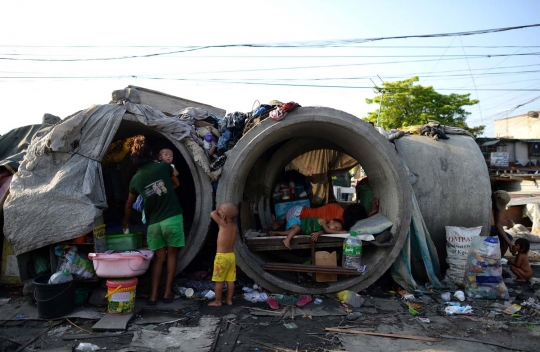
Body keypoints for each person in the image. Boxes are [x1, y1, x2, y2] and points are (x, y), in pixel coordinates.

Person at [123, 135, 185, 305]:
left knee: (158, 258)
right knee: (172, 255)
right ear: (152, 154)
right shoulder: (164, 167)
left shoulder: (135, 179)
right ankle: (167, 293)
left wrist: (126, 221)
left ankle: (152, 295)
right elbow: (177, 183)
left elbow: (129, 204)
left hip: (154, 223)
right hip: (172, 217)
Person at [208, 202, 238, 307]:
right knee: (230, 280)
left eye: (220, 212)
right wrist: (222, 210)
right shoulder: (234, 226)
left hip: (222, 257)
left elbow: (212, 213)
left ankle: (218, 301)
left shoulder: (223, 225)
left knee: (218, 281)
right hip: (231, 256)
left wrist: (218, 210)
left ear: (223, 216)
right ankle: (229, 300)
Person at [270, 217, 347, 249]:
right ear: (331, 221)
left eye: (337, 230)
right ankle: (287, 240)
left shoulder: (322, 230)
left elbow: (320, 232)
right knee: (296, 228)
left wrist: (316, 234)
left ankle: (275, 232)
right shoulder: (323, 220)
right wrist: (340, 232)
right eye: (336, 227)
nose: (335, 229)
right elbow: (327, 230)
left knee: (292, 232)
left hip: (299, 230)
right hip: (296, 222)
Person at [490, 190, 514, 256]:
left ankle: (498, 259)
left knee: (508, 238)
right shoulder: (488, 202)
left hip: (492, 227)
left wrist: (509, 243)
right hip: (483, 227)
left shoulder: (496, 204)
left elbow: (498, 223)